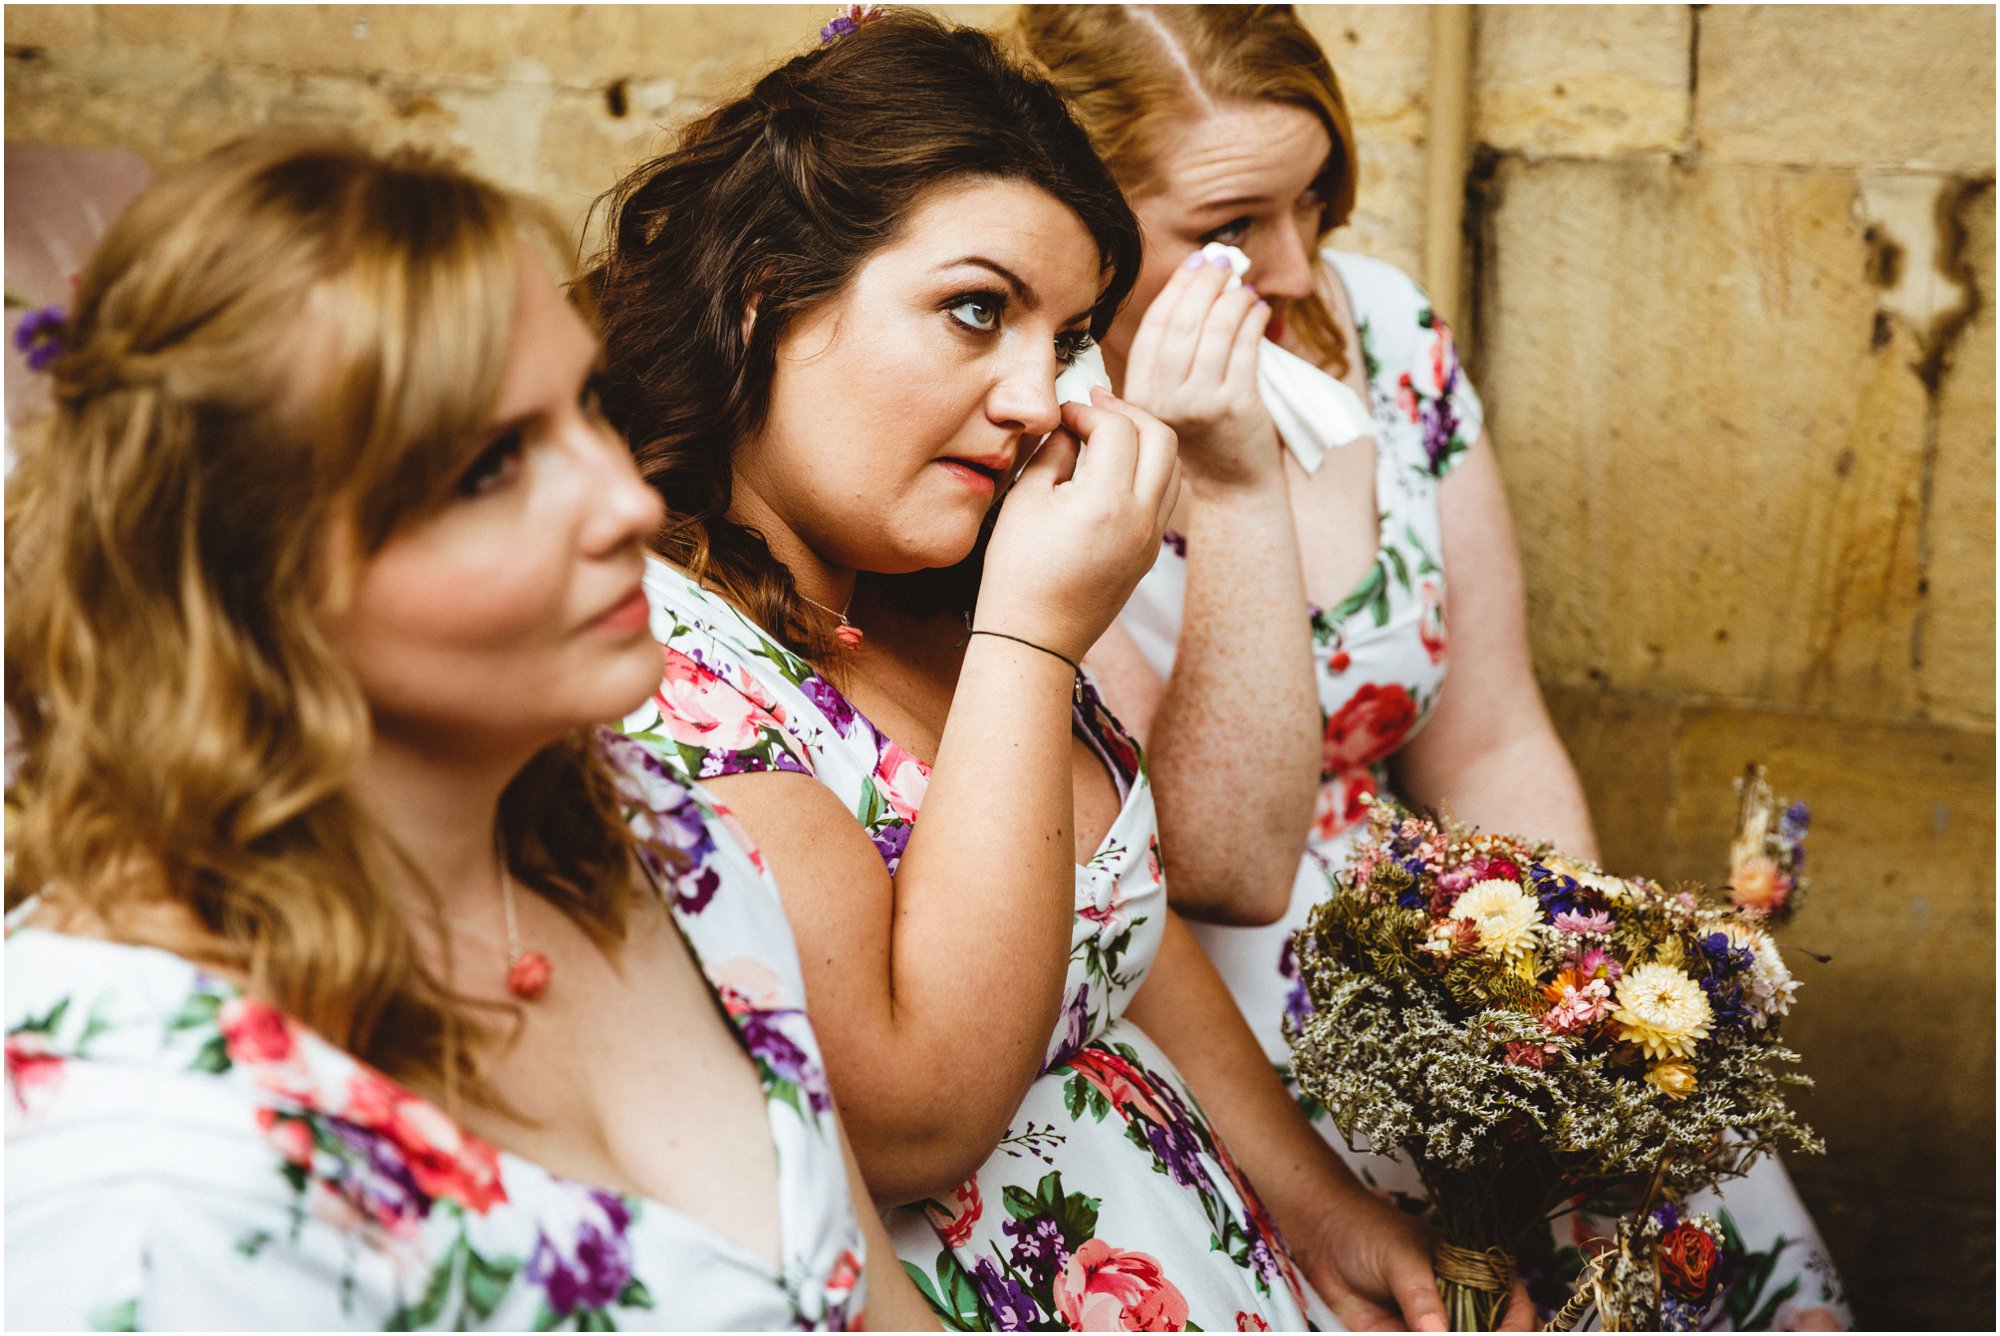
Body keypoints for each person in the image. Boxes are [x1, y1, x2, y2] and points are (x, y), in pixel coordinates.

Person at [586, 11, 1496, 1331]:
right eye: (975, 310)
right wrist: (1031, 635)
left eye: (1065, 337)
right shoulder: (660, 664)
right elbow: (911, 1118)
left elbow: (1127, 925)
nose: (1032, 396)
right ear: (763, 292)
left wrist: (1315, 1203)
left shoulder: (917, 592)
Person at [3, 135, 935, 1331]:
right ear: (252, 574)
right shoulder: (130, 1167)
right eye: (489, 467)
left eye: (587, 408)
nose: (625, 502)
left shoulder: (660, 835)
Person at [1013, 5, 1851, 1329]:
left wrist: (1576, 989)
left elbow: (1493, 735)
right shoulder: (1037, 436)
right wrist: (1229, 477)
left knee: (1686, 1230)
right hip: (1206, 987)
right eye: (1232, 226)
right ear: (1082, 222)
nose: (1291, 267)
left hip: (1443, 921)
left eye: (1316, 204)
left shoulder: (1384, 331)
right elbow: (1219, 867)